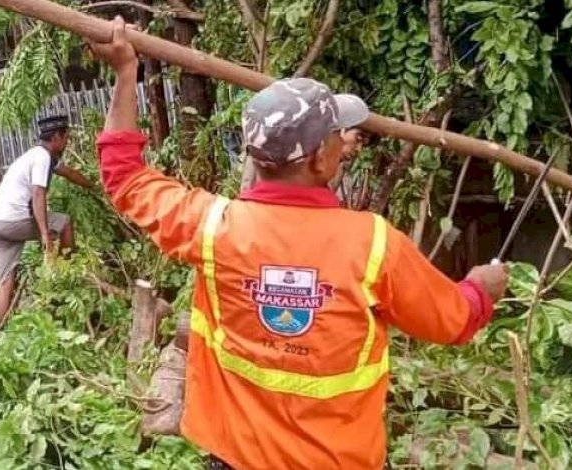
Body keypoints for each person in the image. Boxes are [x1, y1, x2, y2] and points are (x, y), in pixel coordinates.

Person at [86, 17, 510, 470]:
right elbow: (454, 322)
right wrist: (482, 287)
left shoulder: (212, 228)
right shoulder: (373, 246)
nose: (345, 143)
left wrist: (125, 74)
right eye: (335, 135)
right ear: (316, 159)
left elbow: (125, 176)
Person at [0, 115, 94, 321]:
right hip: (12, 221)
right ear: (56, 138)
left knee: (6, 280)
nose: (67, 142)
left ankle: (0, 334)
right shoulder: (43, 158)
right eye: (66, 138)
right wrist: (44, 233)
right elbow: (38, 194)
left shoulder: (36, 157)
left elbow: (69, 173)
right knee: (64, 222)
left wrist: (93, 186)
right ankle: (67, 271)